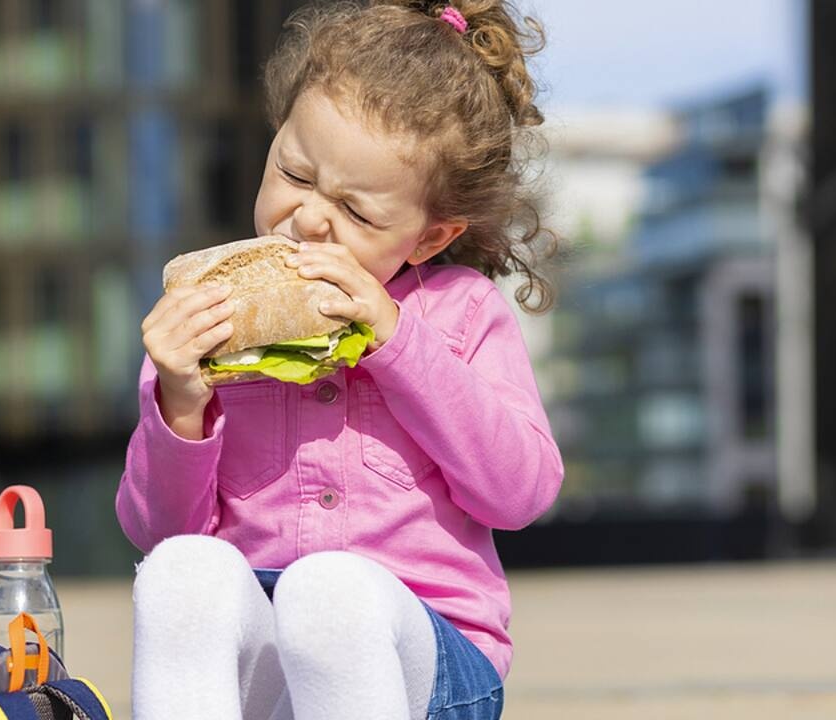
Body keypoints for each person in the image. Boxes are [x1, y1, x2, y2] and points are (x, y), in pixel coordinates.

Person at [116, 2, 563, 718]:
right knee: (176, 572)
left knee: (327, 593)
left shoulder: (461, 311)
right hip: (266, 659)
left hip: (428, 656)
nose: (310, 218)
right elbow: (158, 531)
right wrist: (180, 402)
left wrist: (396, 340)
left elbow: (520, 494)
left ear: (428, 237)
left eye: (357, 214)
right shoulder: (210, 319)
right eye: (294, 174)